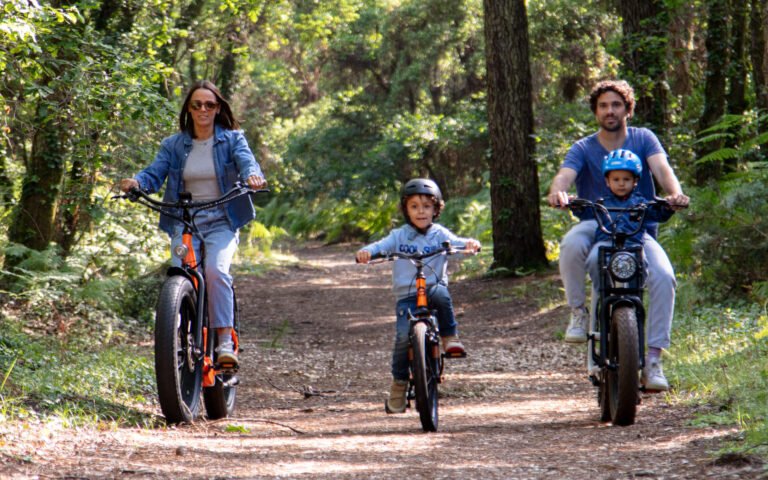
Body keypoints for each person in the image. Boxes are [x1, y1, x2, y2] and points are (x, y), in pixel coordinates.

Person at [547, 80, 689, 391]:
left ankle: (653, 359)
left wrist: (675, 195)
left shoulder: (643, 138)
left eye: (616, 105)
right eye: (603, 106)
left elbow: (663, 170)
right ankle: (579, 314)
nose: (609, 111)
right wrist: (558, 193)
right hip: (595, 222)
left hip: (638, 227)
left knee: (664, 276)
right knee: (571, 244)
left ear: (627, 108)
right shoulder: (584, 147)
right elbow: (565, 176)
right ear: (595, 111)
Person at [120, 80, 267, 367]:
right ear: (188, 108)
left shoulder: (233, 139)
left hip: (222, 221)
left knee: (215, 271)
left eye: (209, 105)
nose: (203, 109)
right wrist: (137, 183)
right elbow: (155, 173)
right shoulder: (173, 145)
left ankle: (225, 340)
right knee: (182, 273)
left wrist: (253, 177)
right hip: (184, 222)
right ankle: (180, 330)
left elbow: (247, 163)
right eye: (197, 104)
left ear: (217, 108)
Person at [355, 178, 481, 413]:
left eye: (426, 206)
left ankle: (449, 336)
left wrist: (470, 245)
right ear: (406, 210)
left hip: (433, 288)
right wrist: (367, 253)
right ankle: (399, 385)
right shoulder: (399, 236)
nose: (420, 211)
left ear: (435, 209)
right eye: (414, 206)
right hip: (408, 296)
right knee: (403, 338)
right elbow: (380, 246)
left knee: (442, 296)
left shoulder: (439, 234)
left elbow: (457, 244)